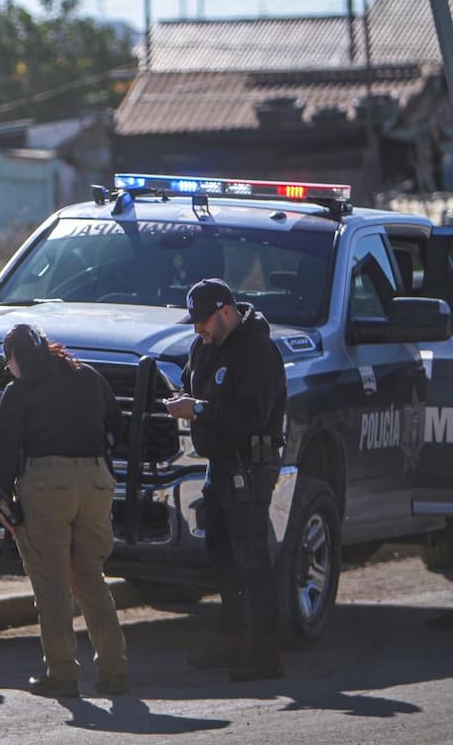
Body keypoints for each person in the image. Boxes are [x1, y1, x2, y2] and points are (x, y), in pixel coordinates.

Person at [0, 323, 128, 698]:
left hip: (47, 485)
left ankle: (62, 674)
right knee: (90, 578)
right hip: (97, 482)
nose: (10, 368)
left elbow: (6, 451)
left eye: (9, 361)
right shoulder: (86, 374)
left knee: (52, 585)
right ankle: (114, 670)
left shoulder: (18, 391)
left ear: (16, 358)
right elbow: (118, 425)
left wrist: (3, 499)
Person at [166, 278, 287, 682]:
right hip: (219, 465)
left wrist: (198, 409)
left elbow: (252, 417)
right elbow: (191, 383)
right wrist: (180, 398)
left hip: (250, 465)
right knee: (223, 555)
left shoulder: (258, 351)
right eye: (195, 323)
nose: (198, 329)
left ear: (226, 312)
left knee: (253, 559)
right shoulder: (204, 347)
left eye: (204, 321)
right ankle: (232, 641)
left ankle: (265, 654)